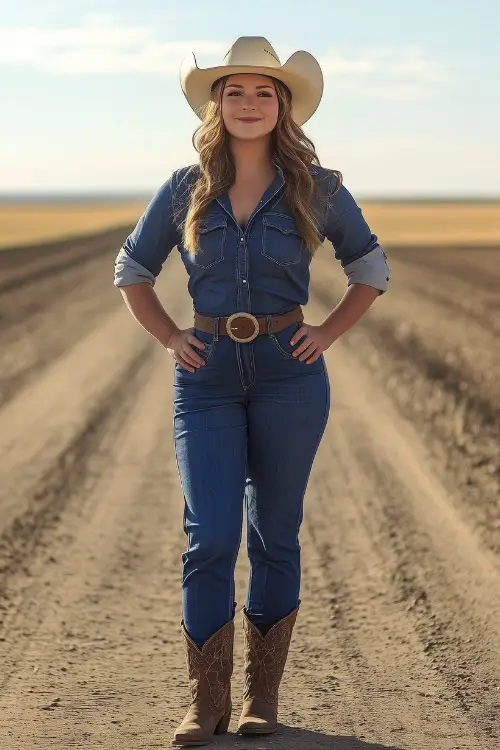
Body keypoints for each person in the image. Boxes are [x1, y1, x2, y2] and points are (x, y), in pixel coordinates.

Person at [114, 35, 390, 748]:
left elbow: (371, 267)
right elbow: (131, 270)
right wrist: (172, 337)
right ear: (215, 104)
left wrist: (327, 333)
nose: (248, 103)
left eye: (263, 92)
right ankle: (205, 703)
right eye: (234, 91)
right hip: (204, 378)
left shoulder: (319, 188)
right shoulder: (182, 187)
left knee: (275, 533)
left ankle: (260, 700)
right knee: (209, 533)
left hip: (287, 375)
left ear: (284, 105)